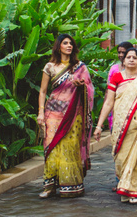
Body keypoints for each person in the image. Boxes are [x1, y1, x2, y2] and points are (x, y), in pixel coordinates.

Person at [93, 47, 137, 203]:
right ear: (123, 60)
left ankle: (136, 189)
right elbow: (109, 102)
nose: (131, 60)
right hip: (121, 123)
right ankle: (125, 186)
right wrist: (99, 125)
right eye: (128, 57)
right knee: (121, 157)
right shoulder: (116, 78)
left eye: (134, 57)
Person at [37, 34, 94, 199]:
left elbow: (89, 88)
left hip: (73, 113)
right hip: (52, 112)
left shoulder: (80, 67)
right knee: (51, 147)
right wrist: (40, 112)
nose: (69, 46)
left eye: (71, 43)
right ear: (58, 46)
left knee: (69, 148)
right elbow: (42, 91)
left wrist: (81, 86)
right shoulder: (49, 67)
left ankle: (70, 185)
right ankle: (49, 186)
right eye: (65, 43)